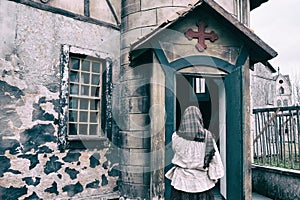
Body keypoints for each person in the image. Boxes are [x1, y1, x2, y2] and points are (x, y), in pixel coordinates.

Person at [165, 106, 224, 200]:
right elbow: (214, 159)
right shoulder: (208, 137)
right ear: (199, 118)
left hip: (181, 181)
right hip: (202, 182)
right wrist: (214, 176)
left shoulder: (176, 136)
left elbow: (174, 150)